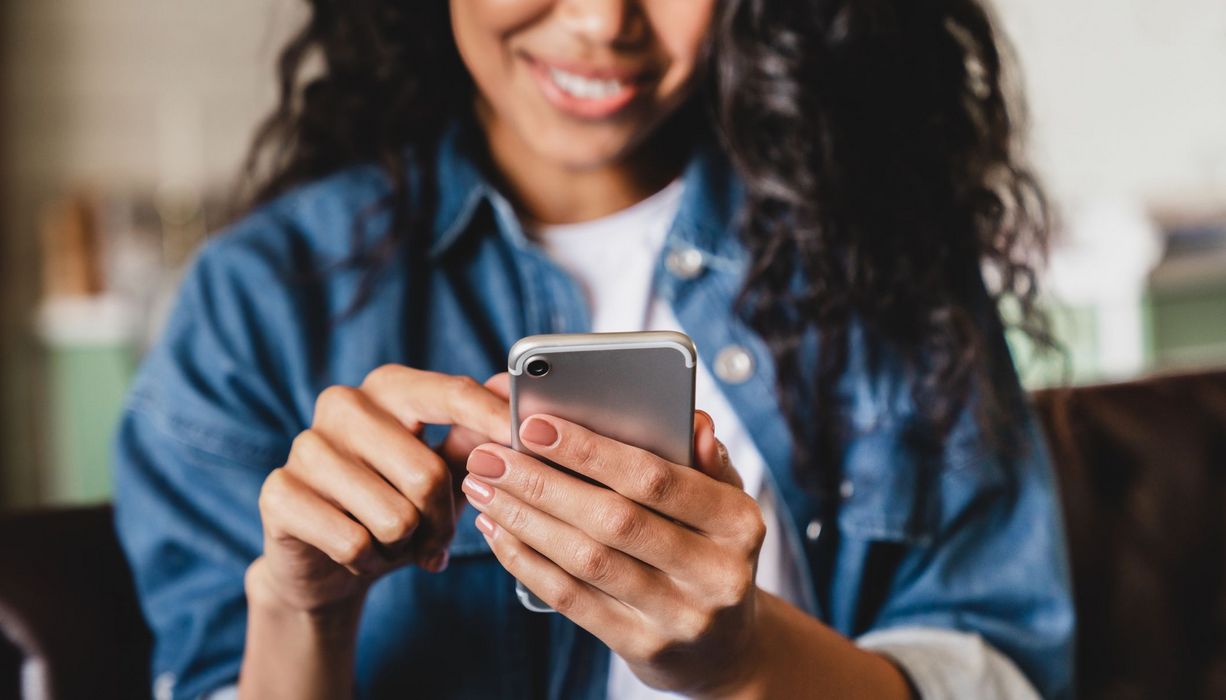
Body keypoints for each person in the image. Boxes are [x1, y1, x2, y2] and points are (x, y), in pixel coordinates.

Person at [113, 1, 1075, 698]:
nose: (602, 20)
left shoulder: (884, 247)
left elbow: (996, 667)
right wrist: (299, 610)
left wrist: (745, 665)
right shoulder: (260, 300)